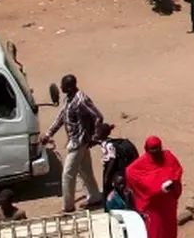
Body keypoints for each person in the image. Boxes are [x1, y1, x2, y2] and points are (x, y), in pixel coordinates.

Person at [43, 74, 104, 212]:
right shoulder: (68, 99)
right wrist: (48, 134)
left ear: (69, 86)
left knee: (67, 175)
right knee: (85, 172)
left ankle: (68, 206)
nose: (61, 87)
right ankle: (95, 197)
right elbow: (61, 118)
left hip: (79, 143)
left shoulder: (81, 100)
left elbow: (98, 116)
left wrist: (94, 136)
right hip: (74, 141)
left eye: (63, 85)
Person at [125, 136, 184, 238]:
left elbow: (177, 170)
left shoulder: (168, 156)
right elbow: (130, 172)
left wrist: (171, 181)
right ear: (147, 149)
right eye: (153, 149)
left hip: (168, 203)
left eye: (157, 148)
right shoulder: (141, 163)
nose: (156, 151)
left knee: (169, 228)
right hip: (154, 206)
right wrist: (157, 187)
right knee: (155, 229)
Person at [96, 122, 139, 203]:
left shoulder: (109, 146)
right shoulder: (107, 142)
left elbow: (112, 160)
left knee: (109, 189)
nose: (96, 133)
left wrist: (107, 175)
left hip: (113, 170)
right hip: (116, 169)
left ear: (103, 134)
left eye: (98, 132)